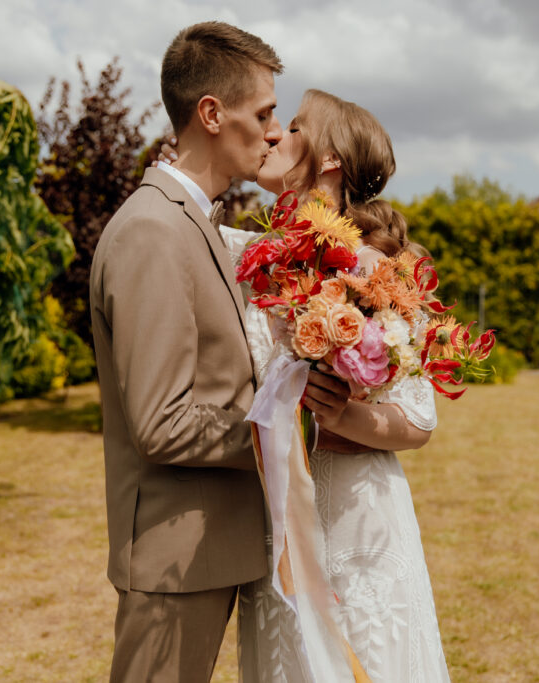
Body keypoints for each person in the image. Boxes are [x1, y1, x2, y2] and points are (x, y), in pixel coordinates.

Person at [89, 23, 349, 682]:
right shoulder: (153, 231)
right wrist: (277, 434)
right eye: (263, 113)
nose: (272, 132)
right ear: (211, 113)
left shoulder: (194, 223)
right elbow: (160, 420)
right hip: (175, 562)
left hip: (210, 551)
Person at [171, 89, 453, 681]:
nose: (272, 134)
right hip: (276, 529)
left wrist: (346, 417)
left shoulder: (379, 271)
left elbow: (420, 422)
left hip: (358, 526)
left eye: (292, 126)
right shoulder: (240, 257)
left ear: (328, 159)